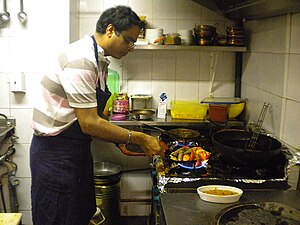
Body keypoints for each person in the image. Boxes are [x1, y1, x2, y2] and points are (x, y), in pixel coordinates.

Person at [29, 5, 163, 225]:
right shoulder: (80, 60)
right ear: (110, 29)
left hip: (75, 151)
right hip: (55, 154)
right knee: (57, 217)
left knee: (78, 214)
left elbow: (93, 115)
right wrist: (139, 138)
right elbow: (90, 123)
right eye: (128, 40)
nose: (131, 48)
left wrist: (119, 140)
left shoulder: (99, 61)